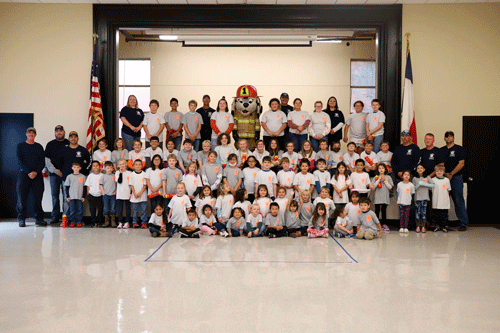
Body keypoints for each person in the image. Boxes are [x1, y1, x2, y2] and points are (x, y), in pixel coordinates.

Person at [57, 131, 91, 220]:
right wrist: (61, 172)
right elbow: (59, 163)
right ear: (69, 139)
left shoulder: (83, 150)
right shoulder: (64, 150)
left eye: (75, 137)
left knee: (80, 200)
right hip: (67, 180)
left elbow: (90, 161)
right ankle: (66, 219)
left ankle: (78, 219)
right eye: (71, 137)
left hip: (80, 180)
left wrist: (85, 172)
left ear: (78, 139)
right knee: (67, 199)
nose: (73, 138)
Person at [16, 127, 46, 227]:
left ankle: (39, 219)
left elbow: (42, 162)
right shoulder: (20, 146)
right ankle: (21, 219)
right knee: (22, 198)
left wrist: (36, 172)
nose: (31, 134)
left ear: (35, 135)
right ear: (26, 134)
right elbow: (20, 161)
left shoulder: (39, 147)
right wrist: (29, 172)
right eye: (29, 133)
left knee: (38, 198)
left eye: (33, 133)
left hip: (37, 176)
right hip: (24, 175)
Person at [441, 131, 469, 231]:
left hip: (456, 178)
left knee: (458, 200)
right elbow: (440, 164)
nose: (448, 138)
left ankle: (463, 223)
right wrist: (445, 174)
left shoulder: (459, 149)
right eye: (447, 137)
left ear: (453, 138)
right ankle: (442, 223)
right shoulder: (442, 150)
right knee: (442, 201)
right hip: (443, 178)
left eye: (450, 137)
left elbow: (461, 163)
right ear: (444, 139)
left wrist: (451, 174)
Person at [45, 125, 69, 225]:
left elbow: (71, 159)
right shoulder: (50, 144)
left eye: (61, 131)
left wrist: (65, 171)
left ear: (64, 132)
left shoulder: (69, 143)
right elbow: (47, 160)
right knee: (54, 196)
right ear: (55, 133)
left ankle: (65, 217)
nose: (59, 133)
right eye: (57, 131)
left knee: (66, 196)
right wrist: (55, 171)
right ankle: (55, 217)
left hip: (66, 175)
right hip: (54, 175)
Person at [371, 163, 393, 229]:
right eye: (379, 168)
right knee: (377, 210)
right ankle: (377, 224)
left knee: (384, 210)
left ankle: (384, 224)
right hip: (378, 197)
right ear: (377, 170)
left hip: (385, 197)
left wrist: (385, 181)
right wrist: (378, 180)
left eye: (382, 168)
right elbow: (373, 187)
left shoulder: (388, 177)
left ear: (385, 169)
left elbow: (390, 187)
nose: (381, 170)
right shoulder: (375, 177)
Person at [413, 164, 434, 233]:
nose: (420, 169)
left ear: (424, 169)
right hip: (417, 198)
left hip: (425, 198)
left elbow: (433, 185)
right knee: (418, 212)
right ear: (416, 170)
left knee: (424, 212)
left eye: (421, 168)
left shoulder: (427, 177)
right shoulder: (414, 178)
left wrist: (425, 184)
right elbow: (413, 189)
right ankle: (418, 226)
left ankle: (423, 226)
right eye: (418, 168)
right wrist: (419, 184)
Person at [64, 162, 86, 228]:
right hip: (72, 197)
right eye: (75, 167)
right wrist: (68, 196)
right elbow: (67, 187)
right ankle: (72, 221)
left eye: (77, 167)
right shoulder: (69, 176)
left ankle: (79, 221)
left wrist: (83, 196)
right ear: (72, 168)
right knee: (72, 210)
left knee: (79, 210)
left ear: (80, 168)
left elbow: (85, 187)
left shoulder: (82, 176)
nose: (76, 169)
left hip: (79, 197)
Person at [431, 165, 452, 233]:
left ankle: (444, 226)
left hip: (444, 200)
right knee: (436, 214)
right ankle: (436, 226)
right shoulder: (433, 180)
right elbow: (431, 189)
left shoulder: (446, 180)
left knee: (444, 214)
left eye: (441, 171)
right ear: (435, 172)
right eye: (437, 171)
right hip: (436, 200)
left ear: (443, 172)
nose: (439, 172)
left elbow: (448, 190)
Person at [129, 159, 148, 229]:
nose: (138, 166)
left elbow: (145, 185)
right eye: (136, 164)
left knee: (143, 210)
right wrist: (134, 193)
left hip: (142, 195)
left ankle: (144, 222)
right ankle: (134, 222)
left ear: (142, 166)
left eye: (139, 164)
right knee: (135, 210)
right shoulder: (131, 174)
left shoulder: (144, 174)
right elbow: (131, 185)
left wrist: (140, 192)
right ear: (133, 166)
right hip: (134, 195)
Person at [86, 161, 104, 228]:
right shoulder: (90, 176)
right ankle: (93, 222)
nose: (95, 167)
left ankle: (99, 222)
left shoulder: (102, 175)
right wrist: (88, 194)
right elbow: (88, 185)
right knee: (92, 210)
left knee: (100, 210)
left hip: (100, 195)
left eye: (97, 165)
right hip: (92, 195)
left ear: (99, 167)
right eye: (94, 166)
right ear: (92, 167)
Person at [115, 159, 132, 229]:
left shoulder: (129, 173)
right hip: (120, 193)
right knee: (120, 209)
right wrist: (121, 173)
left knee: (128, 208)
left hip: (127, 193)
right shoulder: (117, 173)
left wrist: (131, 193)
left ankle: (127, 222)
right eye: (120, 164)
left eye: (123, 164)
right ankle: (120, 222)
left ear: (126, 165)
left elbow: (131, 184)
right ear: (118, 166)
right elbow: (119, 181)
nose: (122, 166)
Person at [100, 161, 117, 228]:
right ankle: (106, 221)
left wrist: (116, 191)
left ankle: (113, 221)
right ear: (105, 168)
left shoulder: (114, 176)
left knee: (113, 208)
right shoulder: (103, 176)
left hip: (113, 194)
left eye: (110, 168)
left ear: (113, 168)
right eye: (108, 168)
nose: (109, 169)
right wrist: (103, 192)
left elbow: (117, 184)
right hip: (106, 195)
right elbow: (101, 185)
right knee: (106, 208)